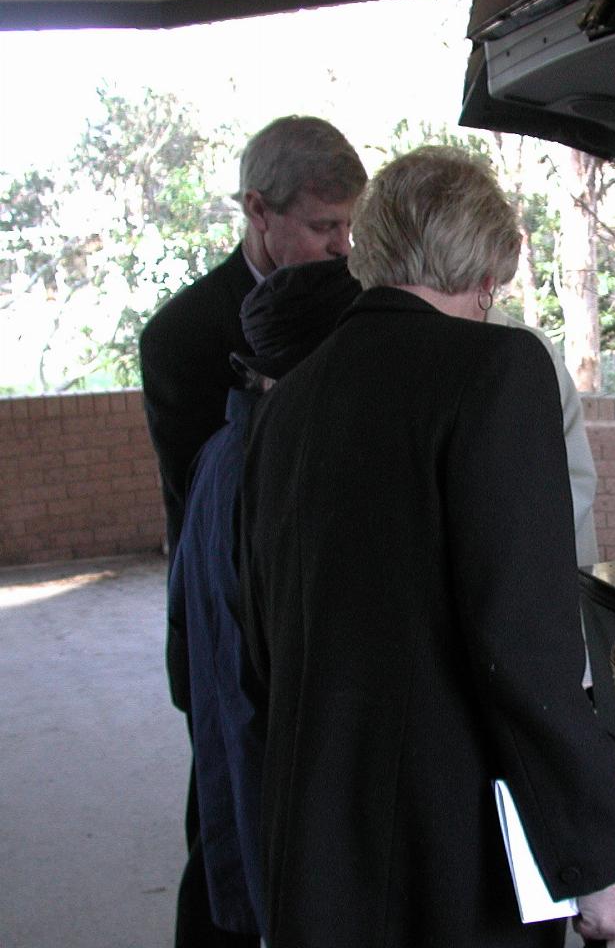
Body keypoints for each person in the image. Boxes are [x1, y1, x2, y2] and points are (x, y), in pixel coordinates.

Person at [239, 145, 615, 947]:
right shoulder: (498, 368)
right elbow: (526, 643)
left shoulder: (287, 402)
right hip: (448, 845)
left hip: (313, 836)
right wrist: (595, 861)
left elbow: (261, 643)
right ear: (488, 271)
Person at [139, 115, 366, 948]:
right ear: (257, 211)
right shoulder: (182, 336)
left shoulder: (358, 305)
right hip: (224, 622)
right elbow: (212, 501)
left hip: (321, 623)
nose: (343, 247)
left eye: (350, 225)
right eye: (322, 226)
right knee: (227, 829)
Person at [168, 258, 360, 941]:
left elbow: (182, 639)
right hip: (280, 773)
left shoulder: (220, 451)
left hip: (237, 751)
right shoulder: (288, 468)